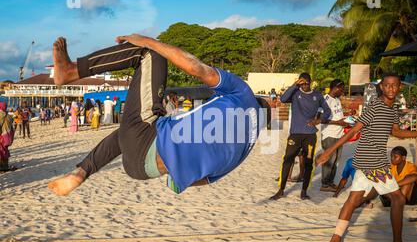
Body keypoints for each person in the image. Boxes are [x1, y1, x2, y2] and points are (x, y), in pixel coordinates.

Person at [48, 34, 267, 197]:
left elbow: (196, 69)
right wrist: (174, 172)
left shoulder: (243, 93)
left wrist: (145, 40)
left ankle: (71, 71)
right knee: (124, 132)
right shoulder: (245, 148)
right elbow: (203, 180)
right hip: (142, 169)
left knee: (151, 54)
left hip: (145, 141)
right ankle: (79, 173)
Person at [316, 72, 417, 242]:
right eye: (387, 85)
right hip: (373, 161)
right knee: (397, 199)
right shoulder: (375, 106)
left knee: (353, 200)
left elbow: (397, 132)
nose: (391, 89)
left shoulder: (393, 109)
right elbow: (353, 130)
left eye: (394, 85)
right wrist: (328, 151)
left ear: (399, 87)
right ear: (381, 87)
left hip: (365, 159)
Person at [271, 73, 331, 201]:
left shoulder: (317, 95)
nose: (304, 85)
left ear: (310, 82)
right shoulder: (295, 93)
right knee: (287, 160)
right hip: (295, 133)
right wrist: (294, 85)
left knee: (308, 163)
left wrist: (318, 121)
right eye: (301, 83)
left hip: (310, 135)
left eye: (306, 83)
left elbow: (327, 111)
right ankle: (281, 190)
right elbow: (283, 99)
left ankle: (304, 191)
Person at [320, 79, 349, 192]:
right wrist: (338, 123)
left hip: (339, 134)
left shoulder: (337, 99)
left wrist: (347, 116)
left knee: (336, 160)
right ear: (335, 88)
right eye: (341, 89)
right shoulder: (325, 100)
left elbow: (336, 115)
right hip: (329, 135)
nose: (342, 91)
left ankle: (330, 182)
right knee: (329, 160)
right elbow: (321, 119)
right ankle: (325, 184)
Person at [0, 102, 16, 172]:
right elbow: (12, 127)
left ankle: (2, 167)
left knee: (1, 151)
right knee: (5, 150)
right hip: (8, 136)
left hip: (2, 136)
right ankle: (5, 165)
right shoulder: (9, 116)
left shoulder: (0, 115)